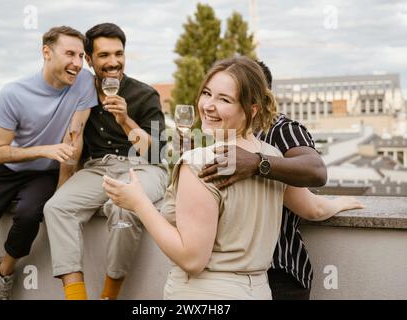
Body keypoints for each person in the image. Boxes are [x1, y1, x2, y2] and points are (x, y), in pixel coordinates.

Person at [103, 56, 362, 299]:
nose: (208, 106)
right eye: (206, 93)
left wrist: (139, 204)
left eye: (225, 100)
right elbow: (312, 208)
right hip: (260, 291)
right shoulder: (271, 157)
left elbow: (192, 260)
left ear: (252, 108)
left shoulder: (199, 163)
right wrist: (341, 203)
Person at [197, 60, 363, 299]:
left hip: (278, 272)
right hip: (228, 277)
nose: (213, 104)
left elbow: (316, 171)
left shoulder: (281, 129)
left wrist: (257, 163)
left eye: (227, 97)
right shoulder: (224, 133)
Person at [0, 26, 98, 300]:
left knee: (30, 214)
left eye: (81, 55)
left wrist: (62, 191)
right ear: (47, 52)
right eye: (70, 53)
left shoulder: (83, 83)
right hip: (4, 171)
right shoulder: (14, 93)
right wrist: (44, 150)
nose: (78, 63)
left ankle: (4, 271)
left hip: (43, 174)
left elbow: (75, 140)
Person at [43, 22, 168, 300]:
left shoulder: (145, 94)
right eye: (104, 56)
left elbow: (157, 153)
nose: (114, 62)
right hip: (98, 169)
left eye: (119, 54)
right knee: (56, 208)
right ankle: (76, 296)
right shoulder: (80, 93)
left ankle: (109, 295)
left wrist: (125, 120)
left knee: (124, 206)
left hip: (143, 167)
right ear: (88, 59)